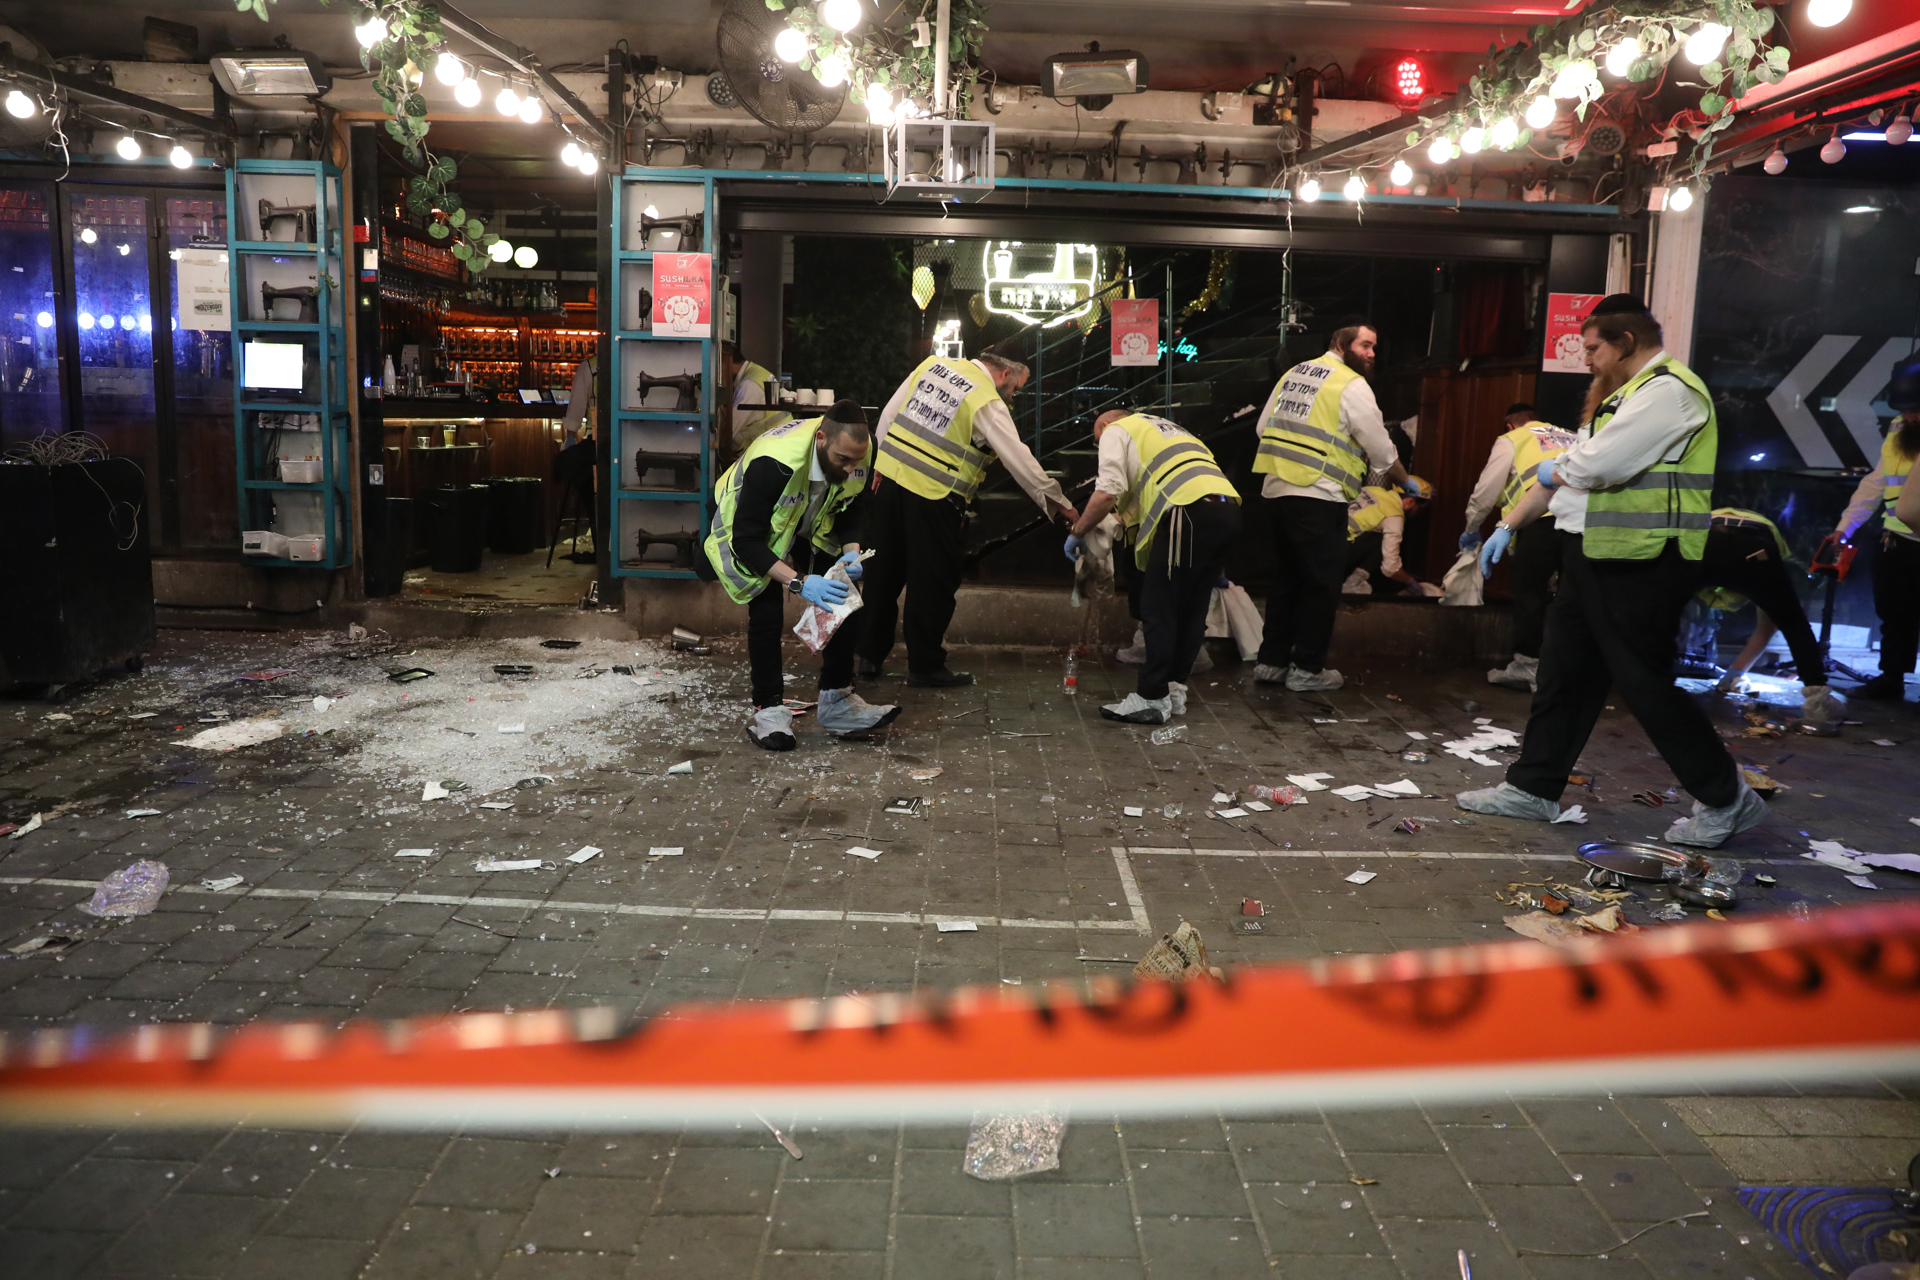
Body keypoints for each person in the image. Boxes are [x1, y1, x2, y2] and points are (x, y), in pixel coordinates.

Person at [1464, 294, 1763, 848]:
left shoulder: (1669, 392)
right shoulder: (1627, 396)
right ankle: (1533, 788)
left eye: (1594, 348)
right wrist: (1510, 523)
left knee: (1644, 684)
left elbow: (1596, 466)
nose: (1587, 359)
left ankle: (1726, 797)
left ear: (1625, 342)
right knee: (1564, 674)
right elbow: (1566, 480)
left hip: (1642, 560)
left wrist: (1557, 467)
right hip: (1595, 553)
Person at [857, 343, 1079, 687]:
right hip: (934, 495)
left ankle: (869, 657)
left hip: (890, 485)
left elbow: (889, 413)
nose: (1014, 395)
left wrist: (882, 462)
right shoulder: (985, 397)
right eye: (1017, 386)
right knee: (933, 582)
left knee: (882, 574)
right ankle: (925, 666)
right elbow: (1018, 459)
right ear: (1006, 373)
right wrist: (1059, 503)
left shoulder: (932, 366)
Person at [698, 402, 900, 750]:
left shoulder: (859, 451)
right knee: (766, 607)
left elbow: (853, 507)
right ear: (821, 439)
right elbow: (746, 541)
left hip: (810, 513)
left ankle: (837, 700)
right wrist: (800, 582)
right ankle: (769, 710)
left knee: (844, 592)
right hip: (753, 525)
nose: (852, 467)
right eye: (843, 460)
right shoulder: (773, 464)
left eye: (857, 461)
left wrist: (851, 551)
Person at [1250, 317, 1414, 692]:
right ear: (1340, 344)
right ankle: (1307, 669)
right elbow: (1380, 449)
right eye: (1365, 346)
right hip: (1319, 495)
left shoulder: (1294, 374)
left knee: (1286, 580)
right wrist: (1407, 482)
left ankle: (1271, 664)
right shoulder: (1351, 385)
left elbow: (1262, 429)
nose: (1372, 354)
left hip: (1277, 491)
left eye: (1374, 347)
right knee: (1320, 585)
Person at [1064, 410, 1242, 724]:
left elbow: (1108, 491)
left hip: (1186, 511)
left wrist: (1078, 531)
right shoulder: (1169, 430)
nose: (1099, 446)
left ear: (1105, 425)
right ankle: (1172, 691)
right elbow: (1136, 502)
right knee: (1192, 608)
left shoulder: (1117, 430)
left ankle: (1150, 696)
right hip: (1226, 510)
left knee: (1159, 608)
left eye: (1096, 440)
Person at [1461, 403, 1578, 691]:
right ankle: (1571, 668)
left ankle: (1528, 667)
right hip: (1580, 522)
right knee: (1573, 597)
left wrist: (1472, 527)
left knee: (1530, 594)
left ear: (1510, 424)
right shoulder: (1573, 435)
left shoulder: (1513, 439)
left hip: (1540, 520)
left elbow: (1486, 491)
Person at [1827, 353, 1920, 701]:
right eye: (1906, 409)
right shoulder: (1901, 427)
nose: (1910, 416)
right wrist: (1845, 527)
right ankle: (1891, 679)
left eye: (1917, 409)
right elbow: (1877, 481)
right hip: (1897, 539)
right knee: (1895, 614)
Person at [1699, 508, 1844, 723]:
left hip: (1706, 542)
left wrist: (1732, 676)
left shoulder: (1711, 517)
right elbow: (1769, 626)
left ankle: (1648, 679)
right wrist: (1733, 675)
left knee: (1664, 609)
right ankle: (1819, 700)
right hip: (1755, 549)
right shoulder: (1772, 553)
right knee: (1793, 622)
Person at [1344, 476, 1436, 595]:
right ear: (1410, 502)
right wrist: (1411, 582)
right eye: (1419, 508)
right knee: (1381, 543)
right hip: (1337, 553)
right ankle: (1353, 584)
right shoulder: (1394, 516)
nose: (1417, 513)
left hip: (1322, 543)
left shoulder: (1371, 490)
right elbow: (1390, 568)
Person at [721, 341, 790, 452]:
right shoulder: (758, 373)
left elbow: (729, 430)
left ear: (727, 361)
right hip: (780, 440)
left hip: (771, 448)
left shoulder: (749, 385)